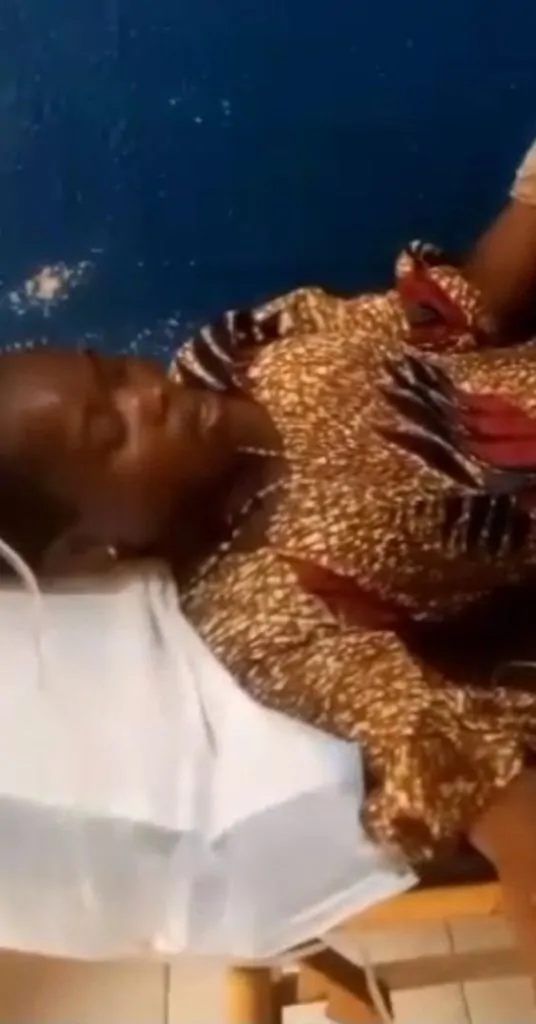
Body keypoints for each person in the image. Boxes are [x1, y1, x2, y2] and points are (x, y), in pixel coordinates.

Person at [3, 139, 536, 971]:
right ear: (87, 542)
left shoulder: (238, 352)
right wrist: (520, 847)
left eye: (114, 373)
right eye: (110, 434)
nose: (147, 396)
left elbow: (457, 313)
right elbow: (414, 724)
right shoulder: (255, 601)